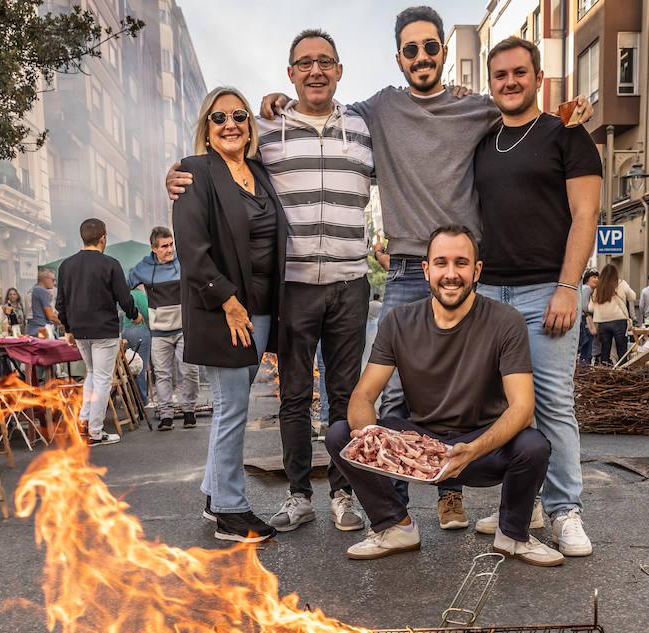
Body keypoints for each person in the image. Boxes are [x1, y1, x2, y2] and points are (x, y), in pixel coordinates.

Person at [249, 6, 591, 532]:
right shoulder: (378, 109)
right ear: (399, 58)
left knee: (467, 390)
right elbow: (322, 106)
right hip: (409, 271)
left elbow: (524, 105)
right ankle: (396, 509)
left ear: (443, 52)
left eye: (431, 47)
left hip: (463, 272)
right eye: (412, 50)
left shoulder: (477, 107)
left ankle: (496, 497)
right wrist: (278, 102)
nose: (422, 57)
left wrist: (571, 111)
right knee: (396, 395)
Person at [325, 226, 562, 566]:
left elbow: (523, 408)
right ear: (426, 271)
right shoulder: (398, 320)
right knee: (340, 435)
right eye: (441, 263)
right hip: (422, 445)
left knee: (533, 445)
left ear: (476, 271)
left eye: (461, 263)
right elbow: (363, 395)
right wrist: (373, 438)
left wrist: (472, 450)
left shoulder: (505, 321)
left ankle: (512, 535)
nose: (451, 274)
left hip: (483, 447)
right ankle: (395, 527)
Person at [237, 28, 374, 535]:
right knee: (293, 395)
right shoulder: (264, 131)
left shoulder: (363, 129)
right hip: (291, 284)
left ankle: (343, 493)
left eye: (325, 62)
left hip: (350, 282)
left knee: (345, 395)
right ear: (290, 72)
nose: (315, 70)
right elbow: (222, 165)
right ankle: (299, 496)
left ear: (339, 70)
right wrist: (180, 175)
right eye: (304, 63)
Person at [471, 36, 600, 556]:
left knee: (551, 405)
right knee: (505, 407)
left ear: (538, 77)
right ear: (491, 83)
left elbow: (586, 215)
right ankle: (523, 505)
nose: (509, 82)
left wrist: (568, 287)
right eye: (500, 75)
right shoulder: (484, 141)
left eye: (519, 73)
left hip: (548, 289)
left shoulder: (567, 134)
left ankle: (566, 510)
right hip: (490, 294)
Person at [173, 86, 288, 542]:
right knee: (231, 407)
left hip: (260, 310)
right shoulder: (194, 171)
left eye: (239, 115)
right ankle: (229, 509)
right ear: (207, 127)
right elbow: (192, 248)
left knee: (230, 406)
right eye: (219, 118)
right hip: (224, 309)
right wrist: (228, 299)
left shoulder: (260, 171)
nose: (230, 124)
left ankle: (213, 493)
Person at [56, 218, 138, 447]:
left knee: (92, 375)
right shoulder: (111, 264)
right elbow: (124, 297)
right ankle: (95, 431)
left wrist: (68, 329)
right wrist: (134, 315)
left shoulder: (66, 265)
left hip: (79, 330)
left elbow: (60, 302)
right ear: (103, 237)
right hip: (104, 329)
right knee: (102, 379)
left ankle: (84, 423)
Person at [128, 227, 198, 430]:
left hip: (185, 329)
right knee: (163, 374)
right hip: (159, 333)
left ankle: (189, 411)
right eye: (164, 246)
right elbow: (123, 289)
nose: (170, 250)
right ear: (153, 248)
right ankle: (166, 416)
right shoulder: (143, 268)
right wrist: (132, 312)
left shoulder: (183, 261)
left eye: (171, 244)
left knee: (190, 371)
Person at [587, 264, 635, 367]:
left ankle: (605, 374)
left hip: (603, 322)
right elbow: (633, 296)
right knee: (622, 350)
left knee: (605, 350)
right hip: (619, 321)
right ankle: (623, 373)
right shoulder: (621, 283)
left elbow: (590, 308)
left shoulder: (598, 288)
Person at [28, 269, 59, 336]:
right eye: (53, 280)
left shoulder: (32, 290)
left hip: (30, 330)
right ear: (45, 279)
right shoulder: (42, 291)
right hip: (42, 331)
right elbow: (51, 316)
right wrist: (65, 323)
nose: (55, 283)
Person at [576, 268, 598, 364]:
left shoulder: (585, 288)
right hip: (584, 320)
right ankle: (584, 369)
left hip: (582, 319)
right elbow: (584, 307)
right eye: (594, 277)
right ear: (587, 279)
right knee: (587, 347)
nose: (597, 279)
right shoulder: (587, 288)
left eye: (598, 277)